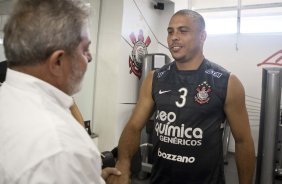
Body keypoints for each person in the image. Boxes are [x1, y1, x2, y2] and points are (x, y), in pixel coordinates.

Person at [108, 9, 255, 184]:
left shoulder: (227, 82)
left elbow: (243, 141)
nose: (174, 37)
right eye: (170, 31)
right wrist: (123, 163)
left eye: (183, 31)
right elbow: (133, 126)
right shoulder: (154, 78)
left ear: (202, 36)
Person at [0, 0, 120, 183]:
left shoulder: (8, 98)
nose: (90, 57)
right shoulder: (63, 148)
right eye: (85, 49)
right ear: (58, 61)